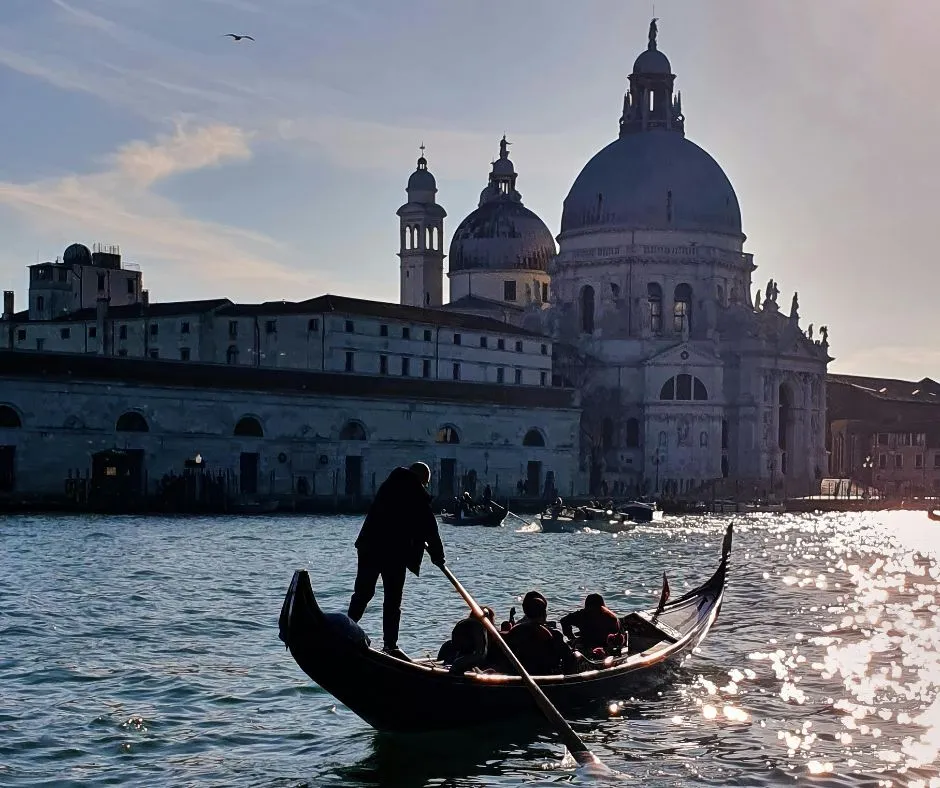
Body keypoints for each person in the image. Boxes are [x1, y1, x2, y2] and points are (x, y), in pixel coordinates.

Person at [347, 462, 445, 660]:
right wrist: (438, 556)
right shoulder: (415, 492)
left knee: (363, 593)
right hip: (393, 552)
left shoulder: (388, 486)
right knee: (392, 600)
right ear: (421, 480)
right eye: (425, 483)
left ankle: (346, 629)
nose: (425, 487)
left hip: (369, 547)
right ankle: (390, 645)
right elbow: (429, 527)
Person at [498, 591, 579, 675]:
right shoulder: (555, 634)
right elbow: (569, 658)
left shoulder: (515, 631)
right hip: (547, 675)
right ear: (544, 614)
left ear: (526, 612)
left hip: (521, 674)